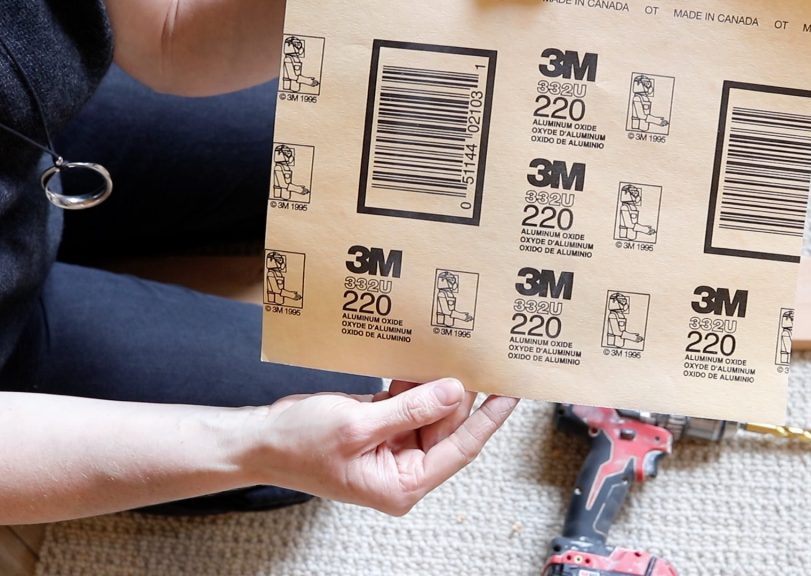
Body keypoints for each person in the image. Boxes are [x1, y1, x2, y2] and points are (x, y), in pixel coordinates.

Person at [0, 1, 518, 525]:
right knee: (351, 408)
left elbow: (169, 36)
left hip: (37, 133)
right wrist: (257, 444)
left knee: (339, 125)